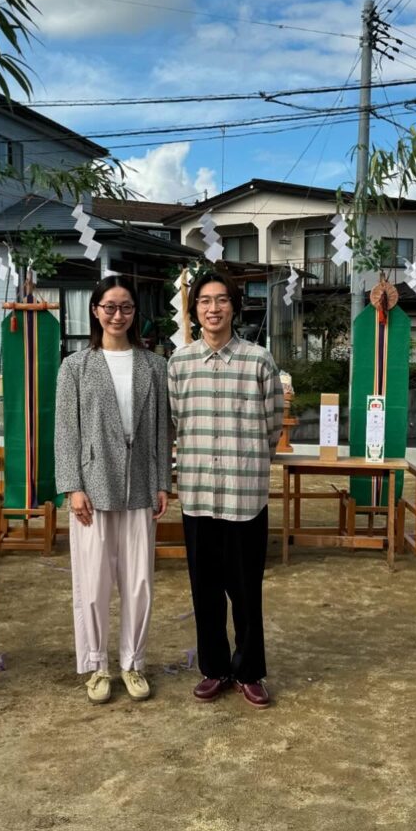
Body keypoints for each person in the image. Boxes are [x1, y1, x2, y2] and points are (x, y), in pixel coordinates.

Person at [167, 270, 284, 708]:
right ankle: (215, 669)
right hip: (198, 494)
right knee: (205, 589)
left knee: (246, 588)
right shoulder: (179, 364)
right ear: (194, 309)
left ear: (235, 307)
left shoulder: (259, 361)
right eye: (204, 301)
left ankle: (249, 671)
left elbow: (271, 426)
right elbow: (177, 422)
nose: (213, 308)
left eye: (221, 300)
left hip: (244, 496)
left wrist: (248, 460)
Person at [55, 275, 171, 704]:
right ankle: (97, 664)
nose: (117, 315)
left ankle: (133, 662)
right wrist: (72, 486)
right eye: (109, 306)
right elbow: (66, 432)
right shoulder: (75, 366)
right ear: (95, 310)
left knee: (139, 581)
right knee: (93, 581)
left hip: (141, 484)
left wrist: (162, 482)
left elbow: (161, 431)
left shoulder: (154, 366)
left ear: (135, 313)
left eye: (125, 307)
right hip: (92, 486)